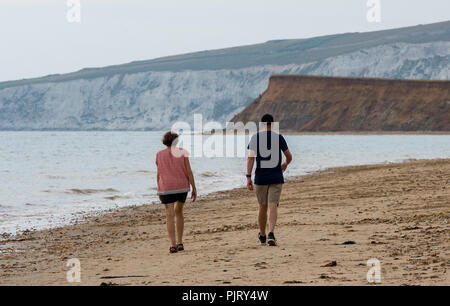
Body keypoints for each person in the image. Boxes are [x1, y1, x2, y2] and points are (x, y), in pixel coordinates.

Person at [246, 114, 292, 246]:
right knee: (273, 206)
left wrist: (248, 177)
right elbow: (289, 156)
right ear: (272, 124)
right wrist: (285, 164)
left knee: (262, 206)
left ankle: (262, 235)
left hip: (261, 177)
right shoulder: (279, 137)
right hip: (276, 176)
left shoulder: (255, 138)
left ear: (261, 125)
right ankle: (271, 233)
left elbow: (250, 158)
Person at [156, 131, 197, 253]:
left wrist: (159, 188)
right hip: (181, 187)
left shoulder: (159, 154)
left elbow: (159, 174)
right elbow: (189, 171)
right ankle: (180, 242)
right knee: (179, 212)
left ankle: (172, 245)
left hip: (166, 188)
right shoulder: (183, 152)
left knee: (169, 215)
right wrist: (194, 187)